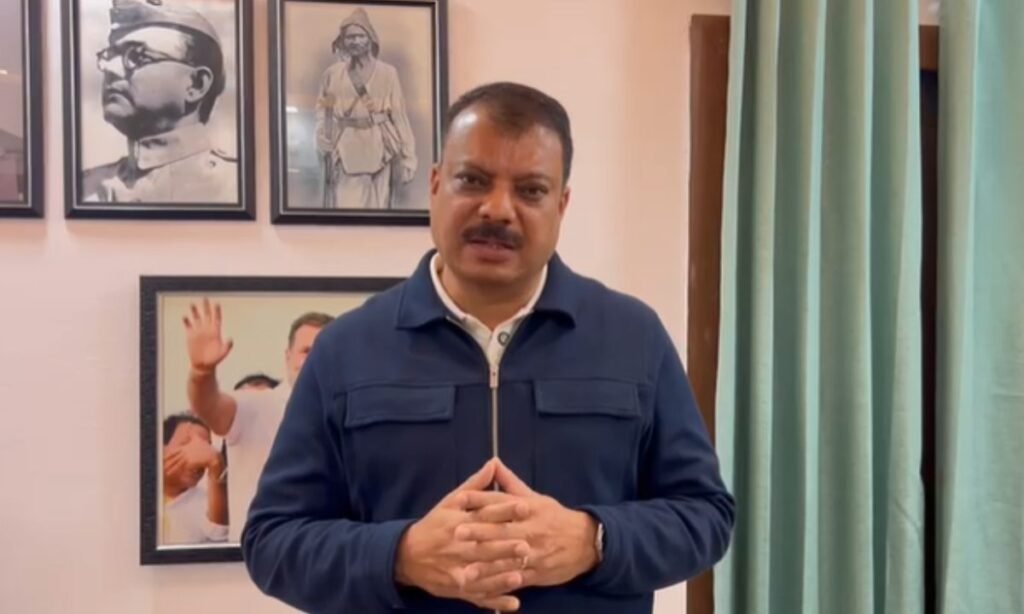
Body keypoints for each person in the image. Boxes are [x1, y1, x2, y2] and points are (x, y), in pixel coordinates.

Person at [242, 82, 735, 613]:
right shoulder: (346, 348)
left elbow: (705, 516)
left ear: (562, 205)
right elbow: (273, 542)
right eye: (473, 180)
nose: (498, 209)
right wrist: (400, 555)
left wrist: (593, 540)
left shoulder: (633, 337)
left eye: (531, 190)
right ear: (435, 185)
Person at [183, 305, 334, 542]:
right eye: (306, 350)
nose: (314, 359)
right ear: (288, 356)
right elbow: (209, 405)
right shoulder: (256, 405)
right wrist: (201, 373)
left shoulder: (350, 414)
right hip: (255, 559)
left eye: (324, 351)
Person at [82, 0, 236, 203]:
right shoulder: (85, 188)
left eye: (137, 57)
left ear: (196, 84)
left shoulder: (235, 184)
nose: (110, 68)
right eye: (109, 56)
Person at [314, 7, 417, 210]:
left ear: (370, 38)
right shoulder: (332, 75)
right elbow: (323, 109)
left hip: (381, 149)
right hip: (346, 151)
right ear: (343, 41)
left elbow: (399, 116)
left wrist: (409, 157)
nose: (355, 41)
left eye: (360, 36)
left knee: (379, 213)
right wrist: (320, 134)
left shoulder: (388, 74)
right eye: (349, 37)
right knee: (347, 212)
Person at [162, 412, 227, 545]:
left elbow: (220, 532)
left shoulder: (205, 502)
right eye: (187, 444)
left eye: (205, 448)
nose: (199, 458)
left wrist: (216, 464)